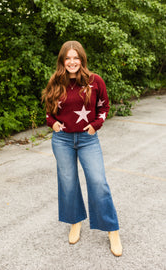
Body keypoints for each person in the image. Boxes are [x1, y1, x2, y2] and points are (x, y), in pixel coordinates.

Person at [42, 40, 122, 257]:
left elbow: (104, 105)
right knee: (68, 183)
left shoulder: (95, 81)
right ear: (62, 60)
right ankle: (75, 221)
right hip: (62, 141)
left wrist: (96, 125)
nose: (72, 62)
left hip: (87, 139)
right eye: (67, 58)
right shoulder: (56, 81)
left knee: (98, 182)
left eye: (75, 57)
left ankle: (112, 229)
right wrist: (53, 124)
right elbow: (48, 110)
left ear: (82, 59)